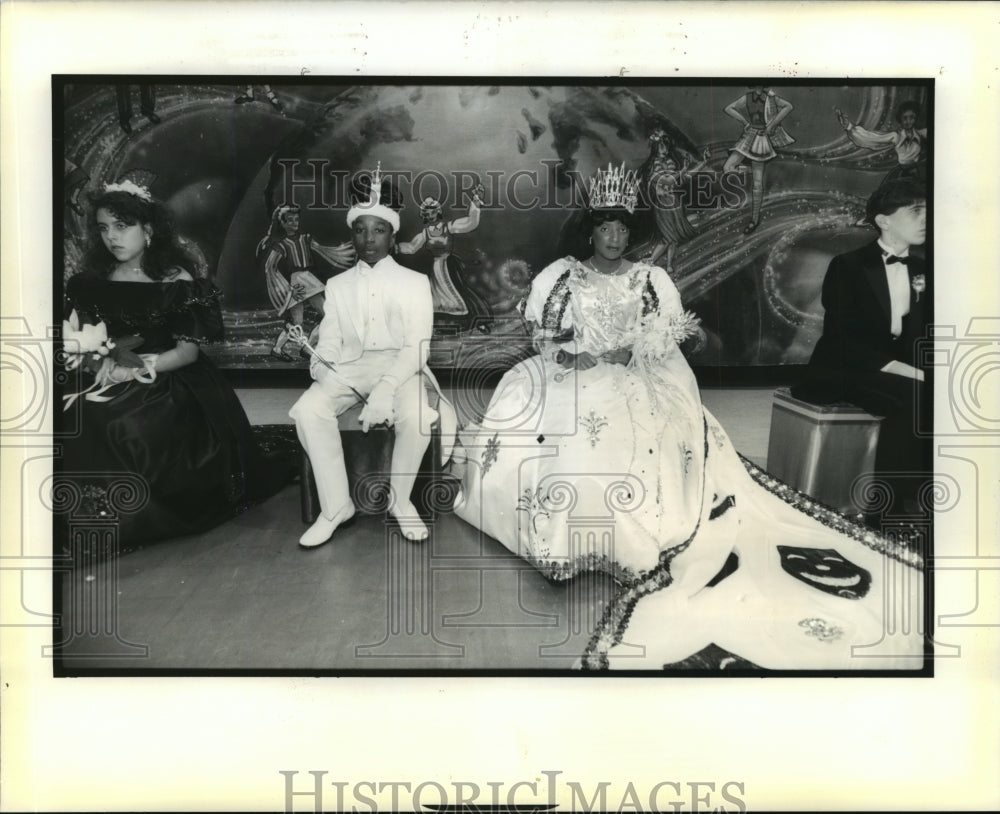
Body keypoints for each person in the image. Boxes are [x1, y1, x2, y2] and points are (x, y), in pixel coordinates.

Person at [452, 163, 925, 671]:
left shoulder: (650, 278)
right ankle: (568, 540)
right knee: (569, 432)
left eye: (622, 227)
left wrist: (632, 354)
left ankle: (633, 537)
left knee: (640, 423)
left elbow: (666, 337)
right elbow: (545, 337)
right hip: (573, 371)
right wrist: (570, 357)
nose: (614, 237)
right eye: (605, 227)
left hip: (636, 374)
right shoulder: (561, 276)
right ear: (590, 229)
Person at [58, 179, 294, 555]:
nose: (112, 237)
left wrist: (131, 370)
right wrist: (93, 360)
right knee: (66, 413)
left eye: (123, 226)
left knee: (118, 422)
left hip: (169, 376)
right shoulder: (91, 282)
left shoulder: (176, 282)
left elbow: (187, 355)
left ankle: (121, 519)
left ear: (147, 230)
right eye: (104, 228)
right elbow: (85, 336)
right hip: (107, 370)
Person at [288, 164, 456, 548]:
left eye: (378, 230)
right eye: (360, 230)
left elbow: (418, 345)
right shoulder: (337, 284)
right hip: (350, 366)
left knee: (416, 416)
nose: (369, 239)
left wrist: (386, 389)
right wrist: (321, 362)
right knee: (308, 410)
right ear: (352, 234)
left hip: (401, 368)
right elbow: (329, 338)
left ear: (392, 235)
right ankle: (336, 507)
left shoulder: (415, 283)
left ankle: (400, 502)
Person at [796, 178, 931, 523]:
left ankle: (923, 495)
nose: (925, 218)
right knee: (915, 395)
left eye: (927, 210)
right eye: (915, 211)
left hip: (899, 367)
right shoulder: (848, 266)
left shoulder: (923, 269)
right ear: (884, 221)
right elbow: (844, 340)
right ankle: (887, 511)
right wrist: (913, 372)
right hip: (846, 368)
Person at [257, 204, 355, 361]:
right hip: (299, 281)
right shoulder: (281, 244)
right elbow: (270, 267)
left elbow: (323, 250)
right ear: (283, 223)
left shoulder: (305, 238)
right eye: (290, 220)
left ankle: (294, 348)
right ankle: (288, 348)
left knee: (320, 317)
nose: (295, 223)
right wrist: (286, 289)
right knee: (301, 321)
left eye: (296, 219)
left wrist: (342, 253)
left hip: (307, 279)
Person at [396, 185, 493, 334]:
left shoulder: (449, 227)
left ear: (438, 211)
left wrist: (475, 203)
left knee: (460, 294)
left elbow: (470, 223)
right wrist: (392, 247)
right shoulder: (425, 233)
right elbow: (411, 247)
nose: (430, 215)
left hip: (449, 267)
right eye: (427, 212)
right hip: (436, 269)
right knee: (436, 299)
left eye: (433, 211)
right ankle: (442, 328)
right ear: (424, 215)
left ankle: (478, 322)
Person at [636, 129, 711, 275]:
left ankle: (669, 265)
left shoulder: (670, 163)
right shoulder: (653, 166)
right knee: (667, 237)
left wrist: (704, 162)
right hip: (662, 205)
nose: (665, 150)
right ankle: (650, 261)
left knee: (674, 238)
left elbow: (684, 178)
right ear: (655, 148)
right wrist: (683, 169)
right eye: (661, 147)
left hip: (674, 203)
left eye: (666, 146)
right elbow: (667, 180)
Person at [722, 86, 795, 234]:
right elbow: (728, 108)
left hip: (762, 137)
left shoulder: (771, 97)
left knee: (757, 184)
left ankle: (754, 219)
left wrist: (771, 125)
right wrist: (745, 122)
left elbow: (788, 106)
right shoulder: (747, 98)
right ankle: (748, 170)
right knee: (728, 167)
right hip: (749, 136)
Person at [835, 100, 928, 185]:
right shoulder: (896, 136)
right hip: (903, 175)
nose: (908, 121)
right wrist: (849, 127)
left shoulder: (920, 135)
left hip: (917, 174)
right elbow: (871, 138)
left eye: (912, 117)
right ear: (900, 119)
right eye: (905, 118)